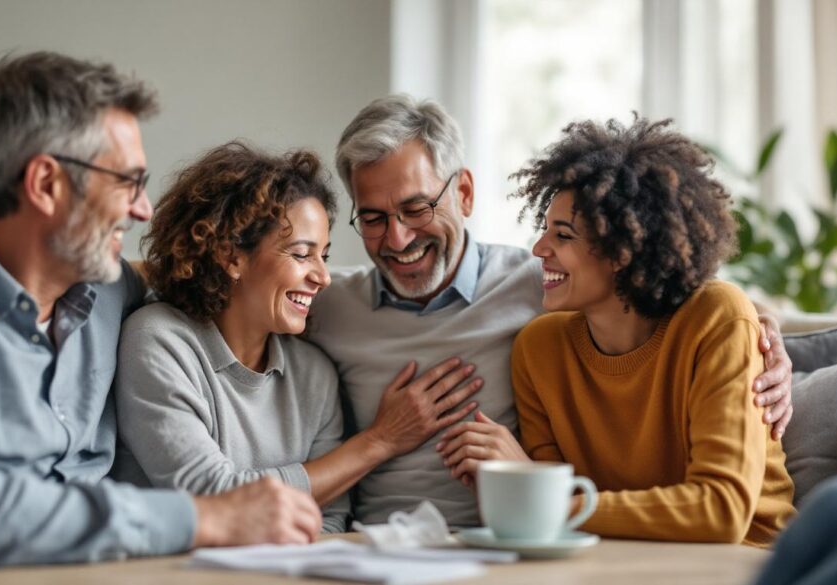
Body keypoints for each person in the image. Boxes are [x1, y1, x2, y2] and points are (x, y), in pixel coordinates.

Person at [0, 52, 320, 581]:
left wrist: (319, 277)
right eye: (128, 182)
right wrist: (204, 516)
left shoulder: (108, 287)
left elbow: (209, 271)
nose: (142, 209)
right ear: (46, 183)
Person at [306, 95, 795, 527]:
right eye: (372, 217)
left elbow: (675, 284)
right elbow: (251, 312)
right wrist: (382, 438)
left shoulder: (538, 286)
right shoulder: (324, 303)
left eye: (417, 209)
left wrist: (767, 334)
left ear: (465, 194)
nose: (397, 238)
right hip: (383, 544)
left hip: (516, 543)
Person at [438, 117, 796, 545]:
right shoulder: (539, 348)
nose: (538, 249)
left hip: (746, 560)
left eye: (563, 235)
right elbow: (566, 514)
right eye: (544, 229)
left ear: (622, 251)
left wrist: (539, 497)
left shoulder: (716, 321)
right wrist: (532, 486)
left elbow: (720, 511)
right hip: (612, 561)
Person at [114, 142, 482, 533]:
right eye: (302, 254)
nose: (323, 277)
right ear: (231, 257)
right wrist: (379, 441)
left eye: (324, 255)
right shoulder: (158, 342)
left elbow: (331, 520)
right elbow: (213, 496)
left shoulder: (313, 373)